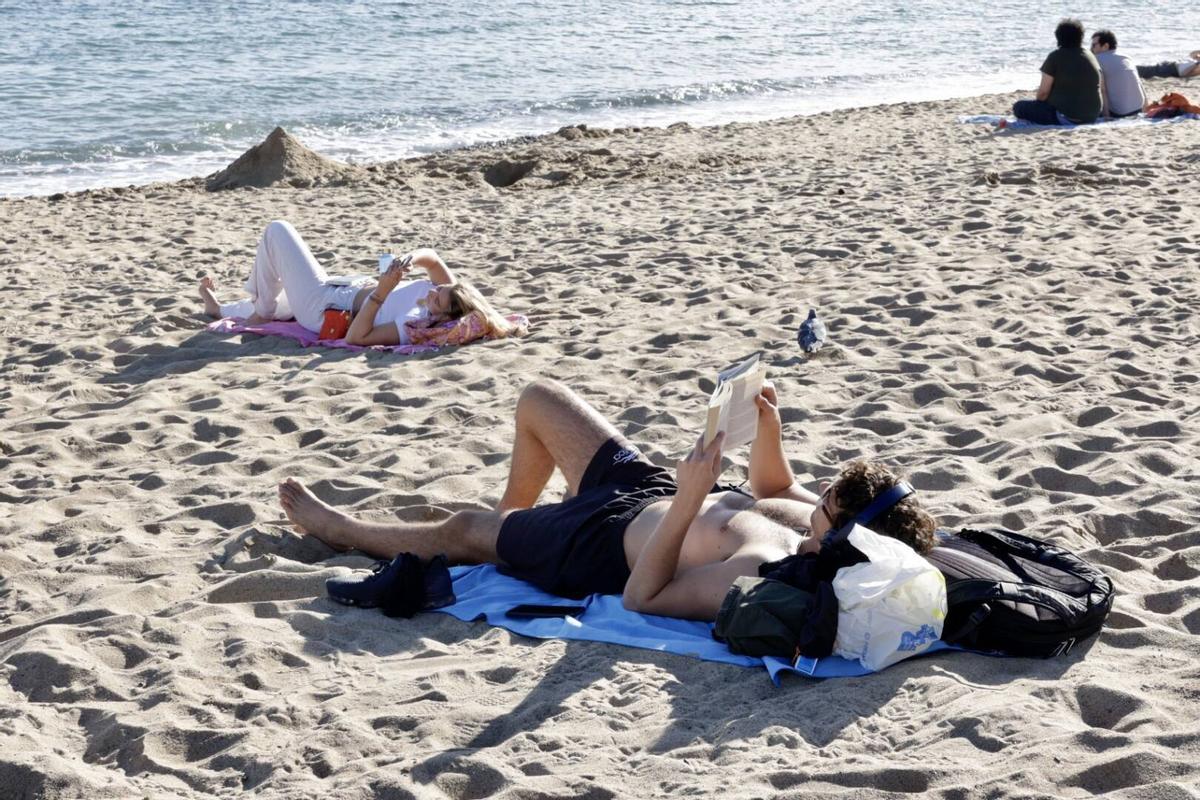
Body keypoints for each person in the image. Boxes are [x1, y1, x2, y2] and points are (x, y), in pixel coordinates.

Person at [278, 379, 937, 621]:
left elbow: (641, 599)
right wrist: (769, 428)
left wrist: (687, 503)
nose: (814, 498)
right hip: (648, 491)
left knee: (464, 528)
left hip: (600, 547)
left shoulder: (761, 571)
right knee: (540, 401)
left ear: (839, 539)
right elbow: (771, 487)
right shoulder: (807, 520)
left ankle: (343, 529)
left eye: (826, 504)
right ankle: (510, 526)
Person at [199, 220, 520, 346]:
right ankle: (219, 308)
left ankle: (262, 312)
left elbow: (356, 337)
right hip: (343, 287)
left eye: (438, 298)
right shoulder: (448, 298)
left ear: (443, 317)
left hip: (325, 306)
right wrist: (410, 259)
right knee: (276, 294)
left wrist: (382, 291)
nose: (434, 290)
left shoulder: (413, 325)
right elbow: (432, 259)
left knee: (277, 232)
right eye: (439, 288)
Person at [1012, 19, 1102, 126]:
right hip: (1092, 114)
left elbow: (1042, 94)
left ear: (1059, 37)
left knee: (1019, 106)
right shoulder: (1089, 55)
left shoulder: (1055, 57)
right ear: (1080, 37)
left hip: (1067, 116)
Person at [1090, 30, 1147, 118]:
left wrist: (1106, 117)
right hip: (1138, 108)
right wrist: (1145, 110)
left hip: (1119, 113)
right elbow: (1139, 84)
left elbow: (1103, 90)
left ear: (1106, 46)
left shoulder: (1097, 59)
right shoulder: (1127, 58)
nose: (1091, 49)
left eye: (1094, 45)